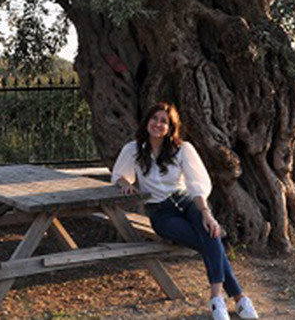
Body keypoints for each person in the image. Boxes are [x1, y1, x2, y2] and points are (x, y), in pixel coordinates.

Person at [111, 101, 259, 320]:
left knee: (210, 232)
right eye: (155, 118)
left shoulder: (182, 149)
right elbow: (120, 176)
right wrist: (125, 183)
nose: (158, 124)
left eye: (165, 121)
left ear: (171, 128)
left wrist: (206, 213)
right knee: (210, 241)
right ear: (147, 121)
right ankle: (239, 298)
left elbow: (196, 184)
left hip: (188, 204)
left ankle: (216, 299)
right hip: (161, 213)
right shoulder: (133, 149)